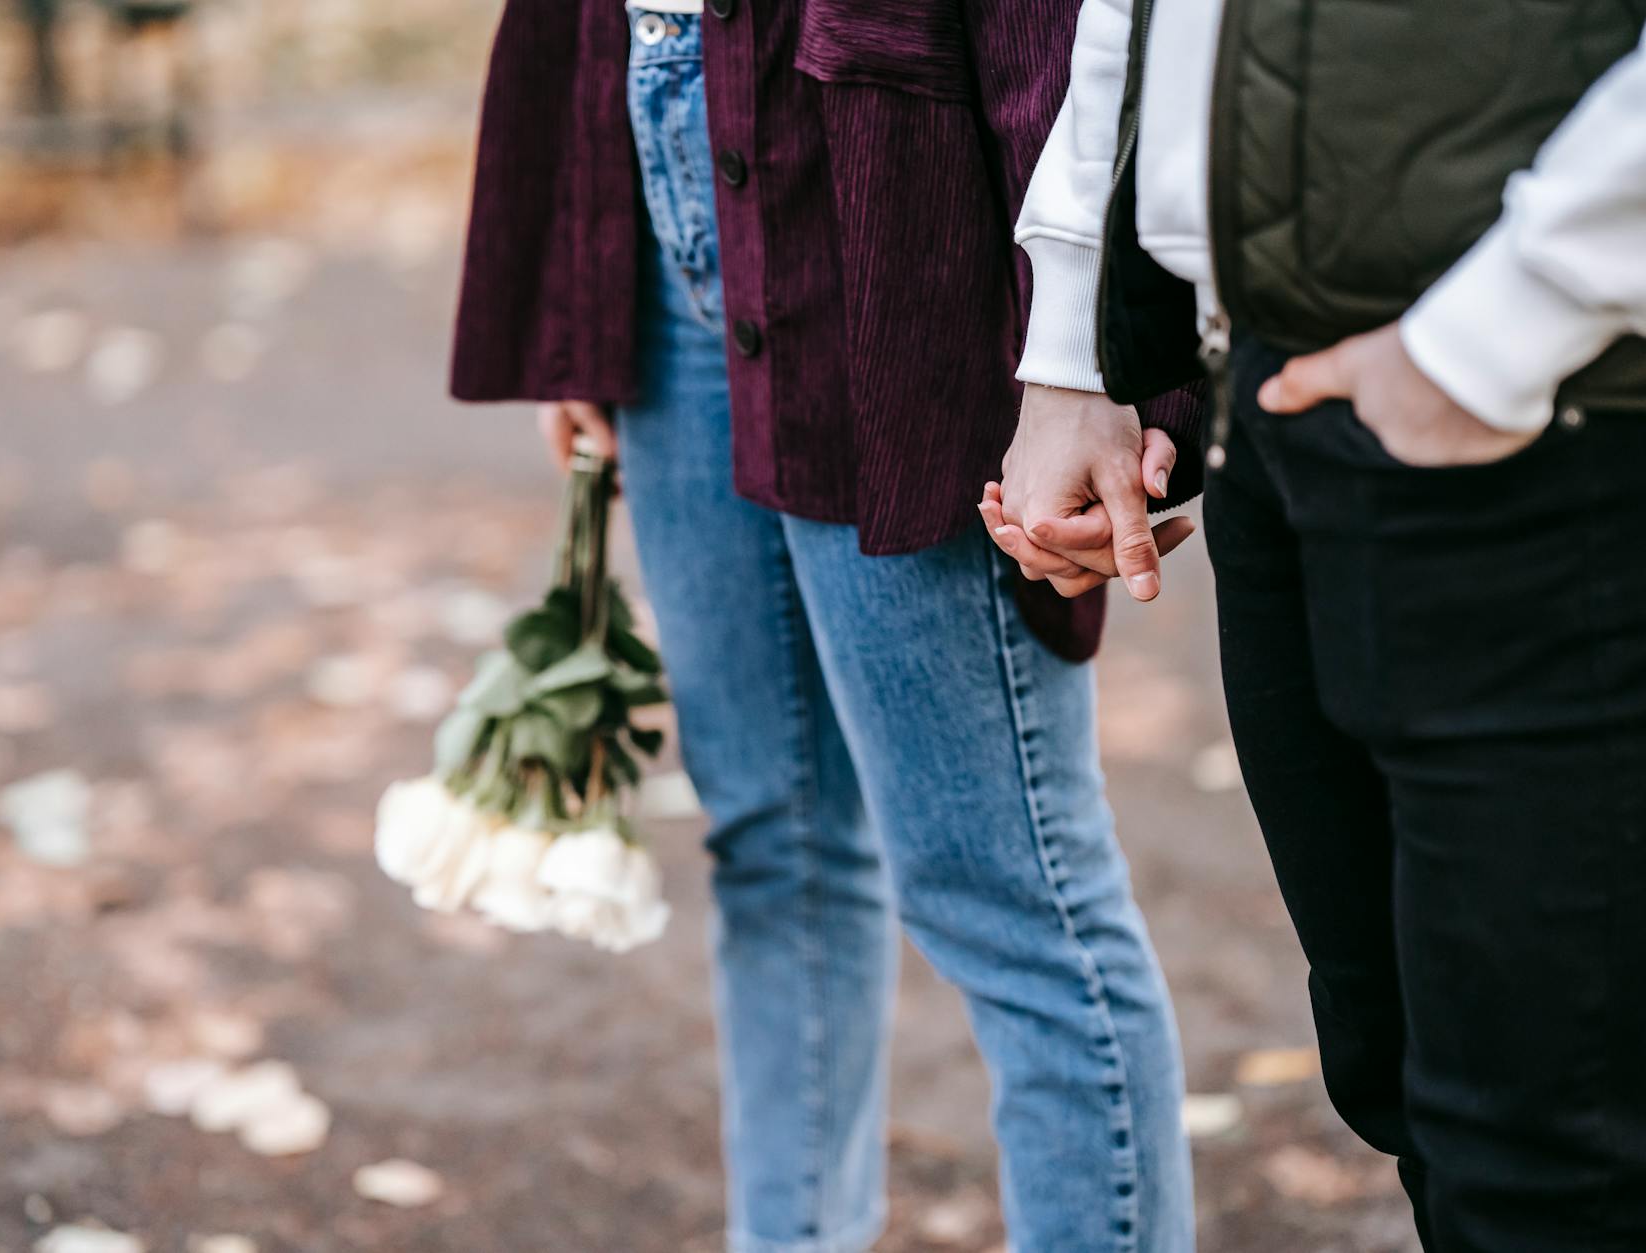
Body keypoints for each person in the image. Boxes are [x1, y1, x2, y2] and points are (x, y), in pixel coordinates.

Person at [449, 0, 1204, 1248]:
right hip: (656, 168)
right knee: (767, 841)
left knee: (1011, 896)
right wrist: (577, 284)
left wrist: (1109, 363)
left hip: (887, 201)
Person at [990, 0, 1646, 1247]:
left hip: (1560, 408)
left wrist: (1504, 324)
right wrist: (1073, 344)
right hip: (1278, 393)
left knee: (1553, 1141)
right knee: (1390, 1061)